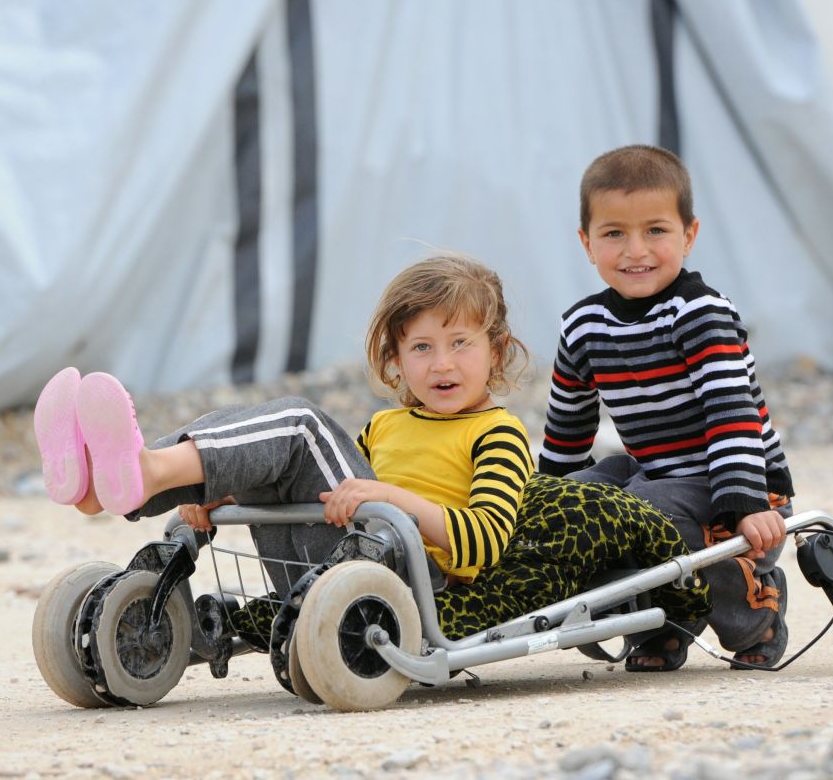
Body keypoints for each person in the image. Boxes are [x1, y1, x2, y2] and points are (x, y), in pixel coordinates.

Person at [35, 253, 534, 598]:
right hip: (329, 569)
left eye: (460, 343)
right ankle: (104, 485)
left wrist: (388, 497)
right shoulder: (386, 426)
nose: (441, 364)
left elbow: (485, 542)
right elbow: (309, 485)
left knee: (299, 426)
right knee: (257, 440)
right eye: (421, 347)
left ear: (498, 349)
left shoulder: (497, 433)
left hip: (413, 583)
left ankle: (147, 471)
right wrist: (224, 494)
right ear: (397, 359)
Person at [538, 144, 794, 670]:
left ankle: (756, 612)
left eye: (655, 230)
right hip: (658, 476)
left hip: (740, 483)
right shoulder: (583, 326)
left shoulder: (700, 314)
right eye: (614, 234)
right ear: (587, 244)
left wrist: (746, 504)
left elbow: (733, 415)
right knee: (585, 503)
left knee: (642, 513)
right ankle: (660, 626)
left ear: (689, 236)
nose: (636, 250)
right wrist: (545, 505)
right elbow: (567, 427)